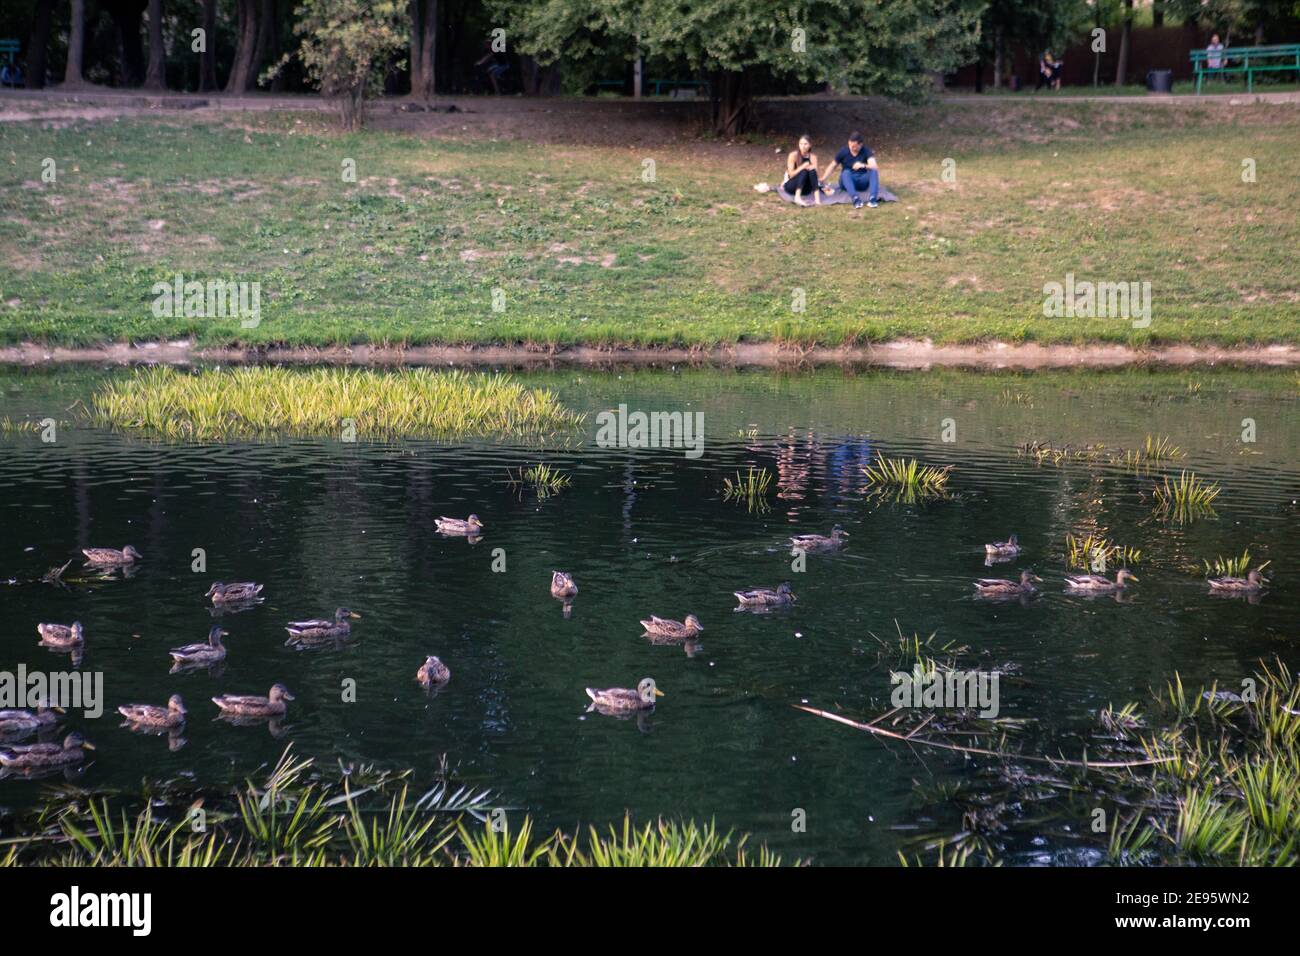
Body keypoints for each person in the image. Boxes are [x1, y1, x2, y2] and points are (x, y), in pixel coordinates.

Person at [824, 130, 878, 209]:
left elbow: (874, 166)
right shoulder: (843, 151)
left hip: (862, 181)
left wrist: (863, 165)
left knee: (873, 171)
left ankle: (872, 199)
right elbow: (832, 165)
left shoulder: (866, 151)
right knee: (846, 172)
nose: (851, 148)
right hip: (847, 181)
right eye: (850, 145)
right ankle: (856, 199)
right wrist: (823, 178)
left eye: (854, 146)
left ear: (861, 145)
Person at [782, 134, 823, 206]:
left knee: (812, 170)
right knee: (804, 171)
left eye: (805, 144)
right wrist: (802, 167)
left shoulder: (813, 157)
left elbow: (815, 177)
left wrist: (812, 168)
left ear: (810, 145)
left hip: (806, 189)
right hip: (792, 186)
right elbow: (791, 175)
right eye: (801, 144)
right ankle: (797, 197)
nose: (803, 146)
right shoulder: (793, 155)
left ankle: (817, 199)